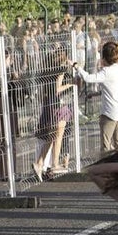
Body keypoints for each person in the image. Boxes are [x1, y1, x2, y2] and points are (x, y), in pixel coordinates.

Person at [73, 40, 118, 157]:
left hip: (109, 113)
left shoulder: (105, 72)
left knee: (106, 145)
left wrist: (77, 67)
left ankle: (106, 168)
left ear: (104, 57)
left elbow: (88, 78)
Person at [32, 47, 75, 182]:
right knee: (58, 135)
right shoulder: (61, 70)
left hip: (49, 103)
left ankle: (40, 163)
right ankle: (54, 164)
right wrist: (70, 84)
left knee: (52, 136)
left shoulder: (47, 70)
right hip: (59, 104)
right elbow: (57, 89)